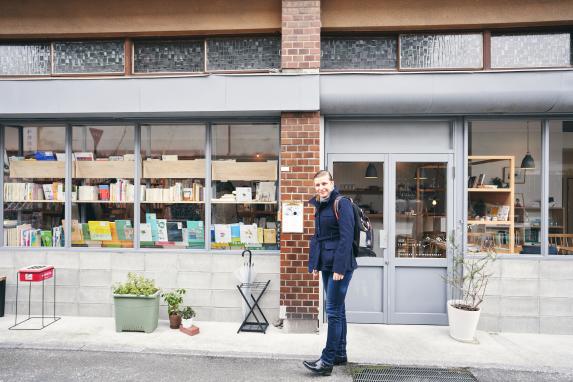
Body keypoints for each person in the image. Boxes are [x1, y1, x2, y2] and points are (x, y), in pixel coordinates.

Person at [303, 170, 357, 376]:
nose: (321, 188)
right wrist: (315, 263)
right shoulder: (321, 204)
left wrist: (339, 268)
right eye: (317, 185)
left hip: (339, 266)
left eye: (324, 183)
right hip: (327, 264)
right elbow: (319, 237)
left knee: (333, 312)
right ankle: (340, 354)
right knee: (338, 309)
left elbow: (346, 238)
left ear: (332, 183)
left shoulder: (341, 203)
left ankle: (326, 361)